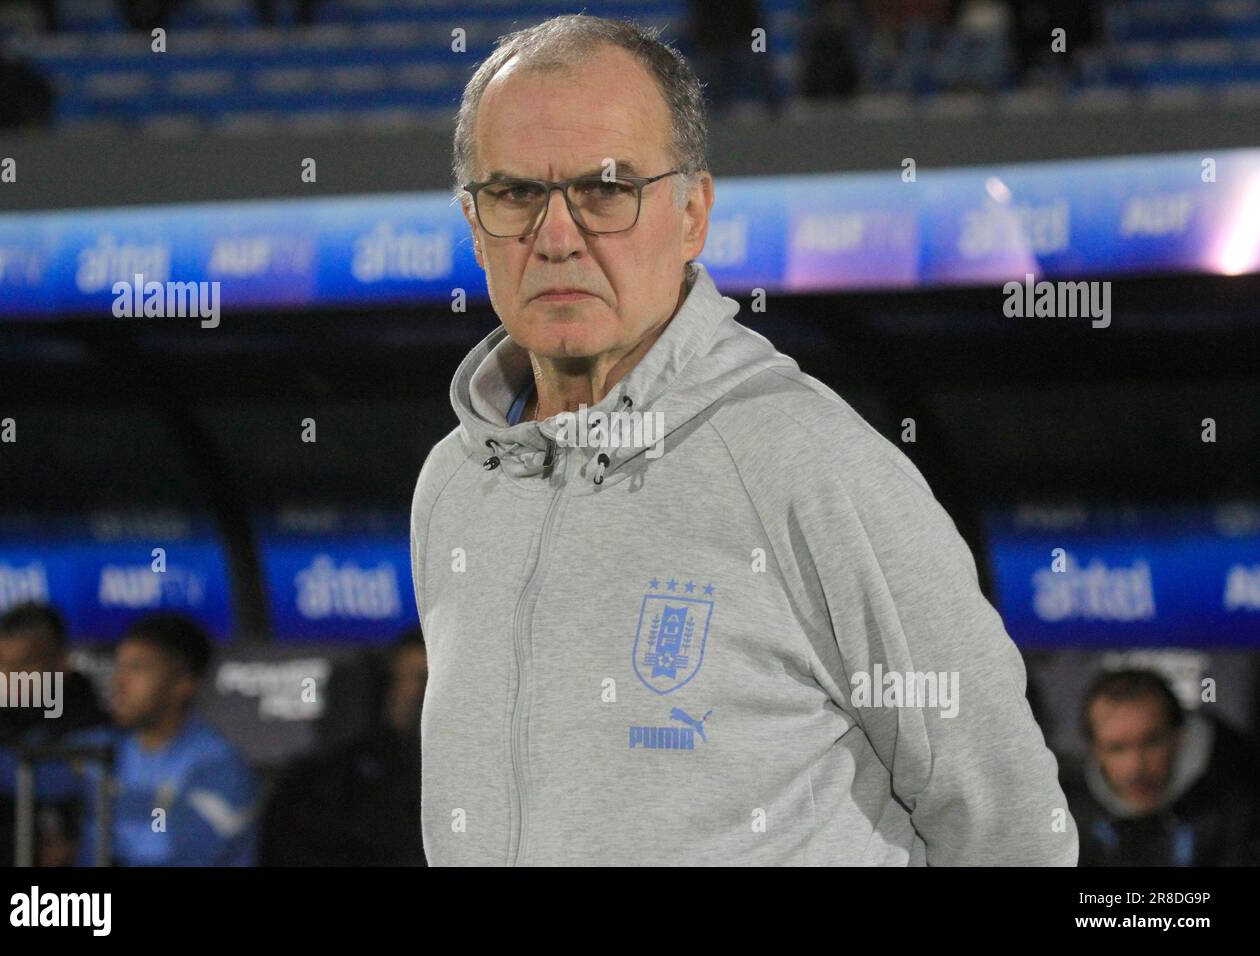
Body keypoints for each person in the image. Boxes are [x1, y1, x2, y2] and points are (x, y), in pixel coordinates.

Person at [410, 13, 1076, 866]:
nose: (558, 236)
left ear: (693, 213)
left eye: (606, 189)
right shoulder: (454, 484)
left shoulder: (812, 463)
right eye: (515, 195)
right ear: (474, 221)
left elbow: (1011, 830)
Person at [0, 613, 259, 865]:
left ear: (183, 684)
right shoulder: (101, 750)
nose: (119, 681)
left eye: (138, 669)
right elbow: (11, 770)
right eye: (120, 666)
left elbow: (184, 857)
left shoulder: (217, 767)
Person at [259, 630, 428, 865]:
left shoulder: (472, 779)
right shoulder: (318, 782)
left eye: (429, 679)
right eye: (412, 678)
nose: (419, 694)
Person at [1061, 668, 1260, 866]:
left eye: (1151, 742)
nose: (1136, 768)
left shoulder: (1239, 804)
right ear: (1094, 749)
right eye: (1117, 748)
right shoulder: (1066, 815)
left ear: (1179, 737)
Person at [0, 602, 108, 866]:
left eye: (22, 665)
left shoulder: (90, 723)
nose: (5, 677)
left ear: (60, 663)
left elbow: (52, 781)